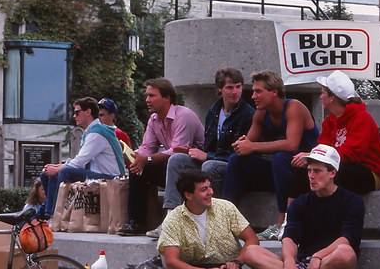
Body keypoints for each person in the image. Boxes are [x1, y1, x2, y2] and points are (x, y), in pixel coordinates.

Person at [238, 145, 363, 269]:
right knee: (250, 252)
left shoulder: (352, 201)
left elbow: (348, 238)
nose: (311, 176)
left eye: (317, 171)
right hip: (302, 265)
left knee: (345, 252)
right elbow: (290, 237)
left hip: (331, 266)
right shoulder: (300, 203)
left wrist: (317, 257)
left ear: (332, 173)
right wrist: (290, 264)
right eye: (309, 170)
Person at [222, 70, 318, 240]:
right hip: (279, 172)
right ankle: (226, 220)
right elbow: (248, 144)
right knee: (237, 160)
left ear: (274, 92)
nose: (253, 96)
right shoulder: (261, 112)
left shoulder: (294, 107)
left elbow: (291, 144)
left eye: (258, 91)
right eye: (253, 91)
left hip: (304, 171)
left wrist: (252, 146)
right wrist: (241, 144)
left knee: (281, 158)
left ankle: (281, 222)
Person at [119, 78, 205, 237]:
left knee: (172, 161)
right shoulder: (154, 119)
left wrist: (148, 159)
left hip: (193, 166)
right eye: (147, 96)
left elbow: (178, 151)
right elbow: (147, 147)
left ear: (167, 98)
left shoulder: (184, 116)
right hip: (171, 163)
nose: (147, 100)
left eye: (152, 96)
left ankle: (169, 221)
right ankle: (136, 221)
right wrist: (136, 157)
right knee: (137, 168)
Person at [163, 67, 255, 215]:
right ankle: (171, 216)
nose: (235, 92)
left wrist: (207, 156)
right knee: (176, 160)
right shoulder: (214, 111)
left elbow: (238, 154)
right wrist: (193, 152)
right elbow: (209, 145)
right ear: (220, 90)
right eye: (230, 87)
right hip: (211, 158)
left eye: (238, 87)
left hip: (231, 165)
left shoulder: (247, 114)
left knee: (209, 165)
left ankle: (209, 217)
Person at [288, 71, 380, 200]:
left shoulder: (362, 118)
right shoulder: (330, 121)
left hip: (369, 172)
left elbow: (352, 154)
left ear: (332, 98)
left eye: (323, 92)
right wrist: (312, 159)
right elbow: (323, 148)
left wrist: (311, 156)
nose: (320, 97)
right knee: (304, 171)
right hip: (339, 164)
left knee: (331, 175)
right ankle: (288, 217)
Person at [39, 96, 126, 218]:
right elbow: (81, 160)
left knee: (65, 172)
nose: (74, 116)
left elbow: (80, 162)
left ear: (88, 112)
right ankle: (46, 212)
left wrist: (59, 168)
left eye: (77, 112)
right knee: (47, 173)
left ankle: (53, 215)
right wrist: (57, 166)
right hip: (98, 174)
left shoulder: (97, 132)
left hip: (110, 178)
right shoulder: (93, 131)